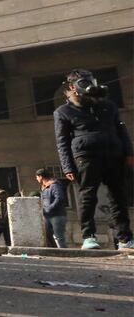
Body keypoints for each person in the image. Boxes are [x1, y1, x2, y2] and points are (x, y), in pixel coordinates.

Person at [54, 69, 134, 250]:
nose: (89, 86)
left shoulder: (108, 106)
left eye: (91, 81)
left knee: (118, 197)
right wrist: (67, 166)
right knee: (88, 196)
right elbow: (62, 141)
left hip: (114, 155)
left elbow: (122, 131)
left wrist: (129, 154)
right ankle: (88, 236)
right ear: (72, 87)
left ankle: (125, 238)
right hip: (86, 157)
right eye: (83, 83)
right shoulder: (63, 111)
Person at [36, 169, 69, 248]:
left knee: (59, 237)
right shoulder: (44, 187)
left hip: (57, 215)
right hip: (47, 216)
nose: (36, 179)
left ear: (41, 177)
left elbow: (59, 198)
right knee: (47, 235)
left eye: (37, 177)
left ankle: (65, 253)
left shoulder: (54, 185)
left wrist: (49, 208)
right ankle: (55, 252)